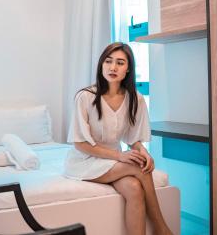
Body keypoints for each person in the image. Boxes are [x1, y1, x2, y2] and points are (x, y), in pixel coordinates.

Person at [64, 42, 173, 235]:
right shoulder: (85, 97)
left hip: (112, 161)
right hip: (85, 161)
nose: (113, 67)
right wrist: (119, 156)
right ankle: (161, 228)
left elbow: (133, 139)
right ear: (101, 65)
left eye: (120, 63)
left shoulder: (135, 99)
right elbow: (80, 143)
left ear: (128, 68)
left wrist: (144, 152)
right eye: (108, 61)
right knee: (136, 167)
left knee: (134, 189)